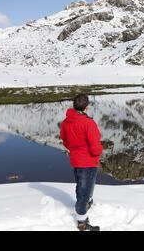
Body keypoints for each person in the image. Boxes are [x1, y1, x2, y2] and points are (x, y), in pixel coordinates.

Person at [60, 94, 103, 231]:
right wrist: (98, 152)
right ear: (86, 107)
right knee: (85, 191)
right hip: (88, 161)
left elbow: (65, 140)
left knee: (81, 186)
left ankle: (82, 206)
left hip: (76, 160)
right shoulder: (88, 123)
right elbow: (95, 147)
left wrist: (74, 150)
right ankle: (82, 222)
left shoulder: (66, 122)